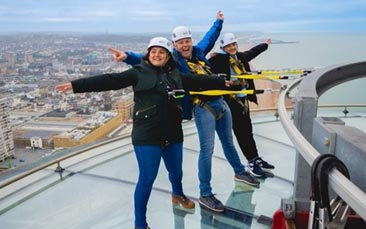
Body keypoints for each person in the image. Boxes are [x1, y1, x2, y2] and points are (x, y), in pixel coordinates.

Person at [55, 37, 240, 229]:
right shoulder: (138, 73)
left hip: (172, 132)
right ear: (148, 54)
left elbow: (197, 80)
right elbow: (109, 80)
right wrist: (76, 85)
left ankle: (177, 195)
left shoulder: (176, 74)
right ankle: (140, 224)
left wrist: (220, 82)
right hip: (147, 136)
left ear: (168, 56)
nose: (157, 55)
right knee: (147, 178)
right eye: (154, 52)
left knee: (176, 172)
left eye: (162, 52)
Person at [109, 11, 260, 213]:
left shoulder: (199, 51)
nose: (185, 45)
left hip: (220, 103)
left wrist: (218, 22)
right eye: (180, 42)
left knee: (228, 141)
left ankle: (239, 171)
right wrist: (127, 56)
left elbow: (210, 38)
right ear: (174, 46)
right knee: (207, 150)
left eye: (187, 40)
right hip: (202, 107)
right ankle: (205, 193)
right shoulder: (174, 62)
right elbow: (146, 59)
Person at [208, 33, 275, 178]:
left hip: (243, 98)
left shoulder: (240, 57)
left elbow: (252, 52)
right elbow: (206, 70)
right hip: (231, 101)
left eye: (233, 44)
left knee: (248, 130)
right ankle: (251, 162)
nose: (232, 47)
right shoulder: (217, 60)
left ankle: (256, 158)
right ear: (223, 47)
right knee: (241, 132)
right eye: (228, 46)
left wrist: (265, 45)